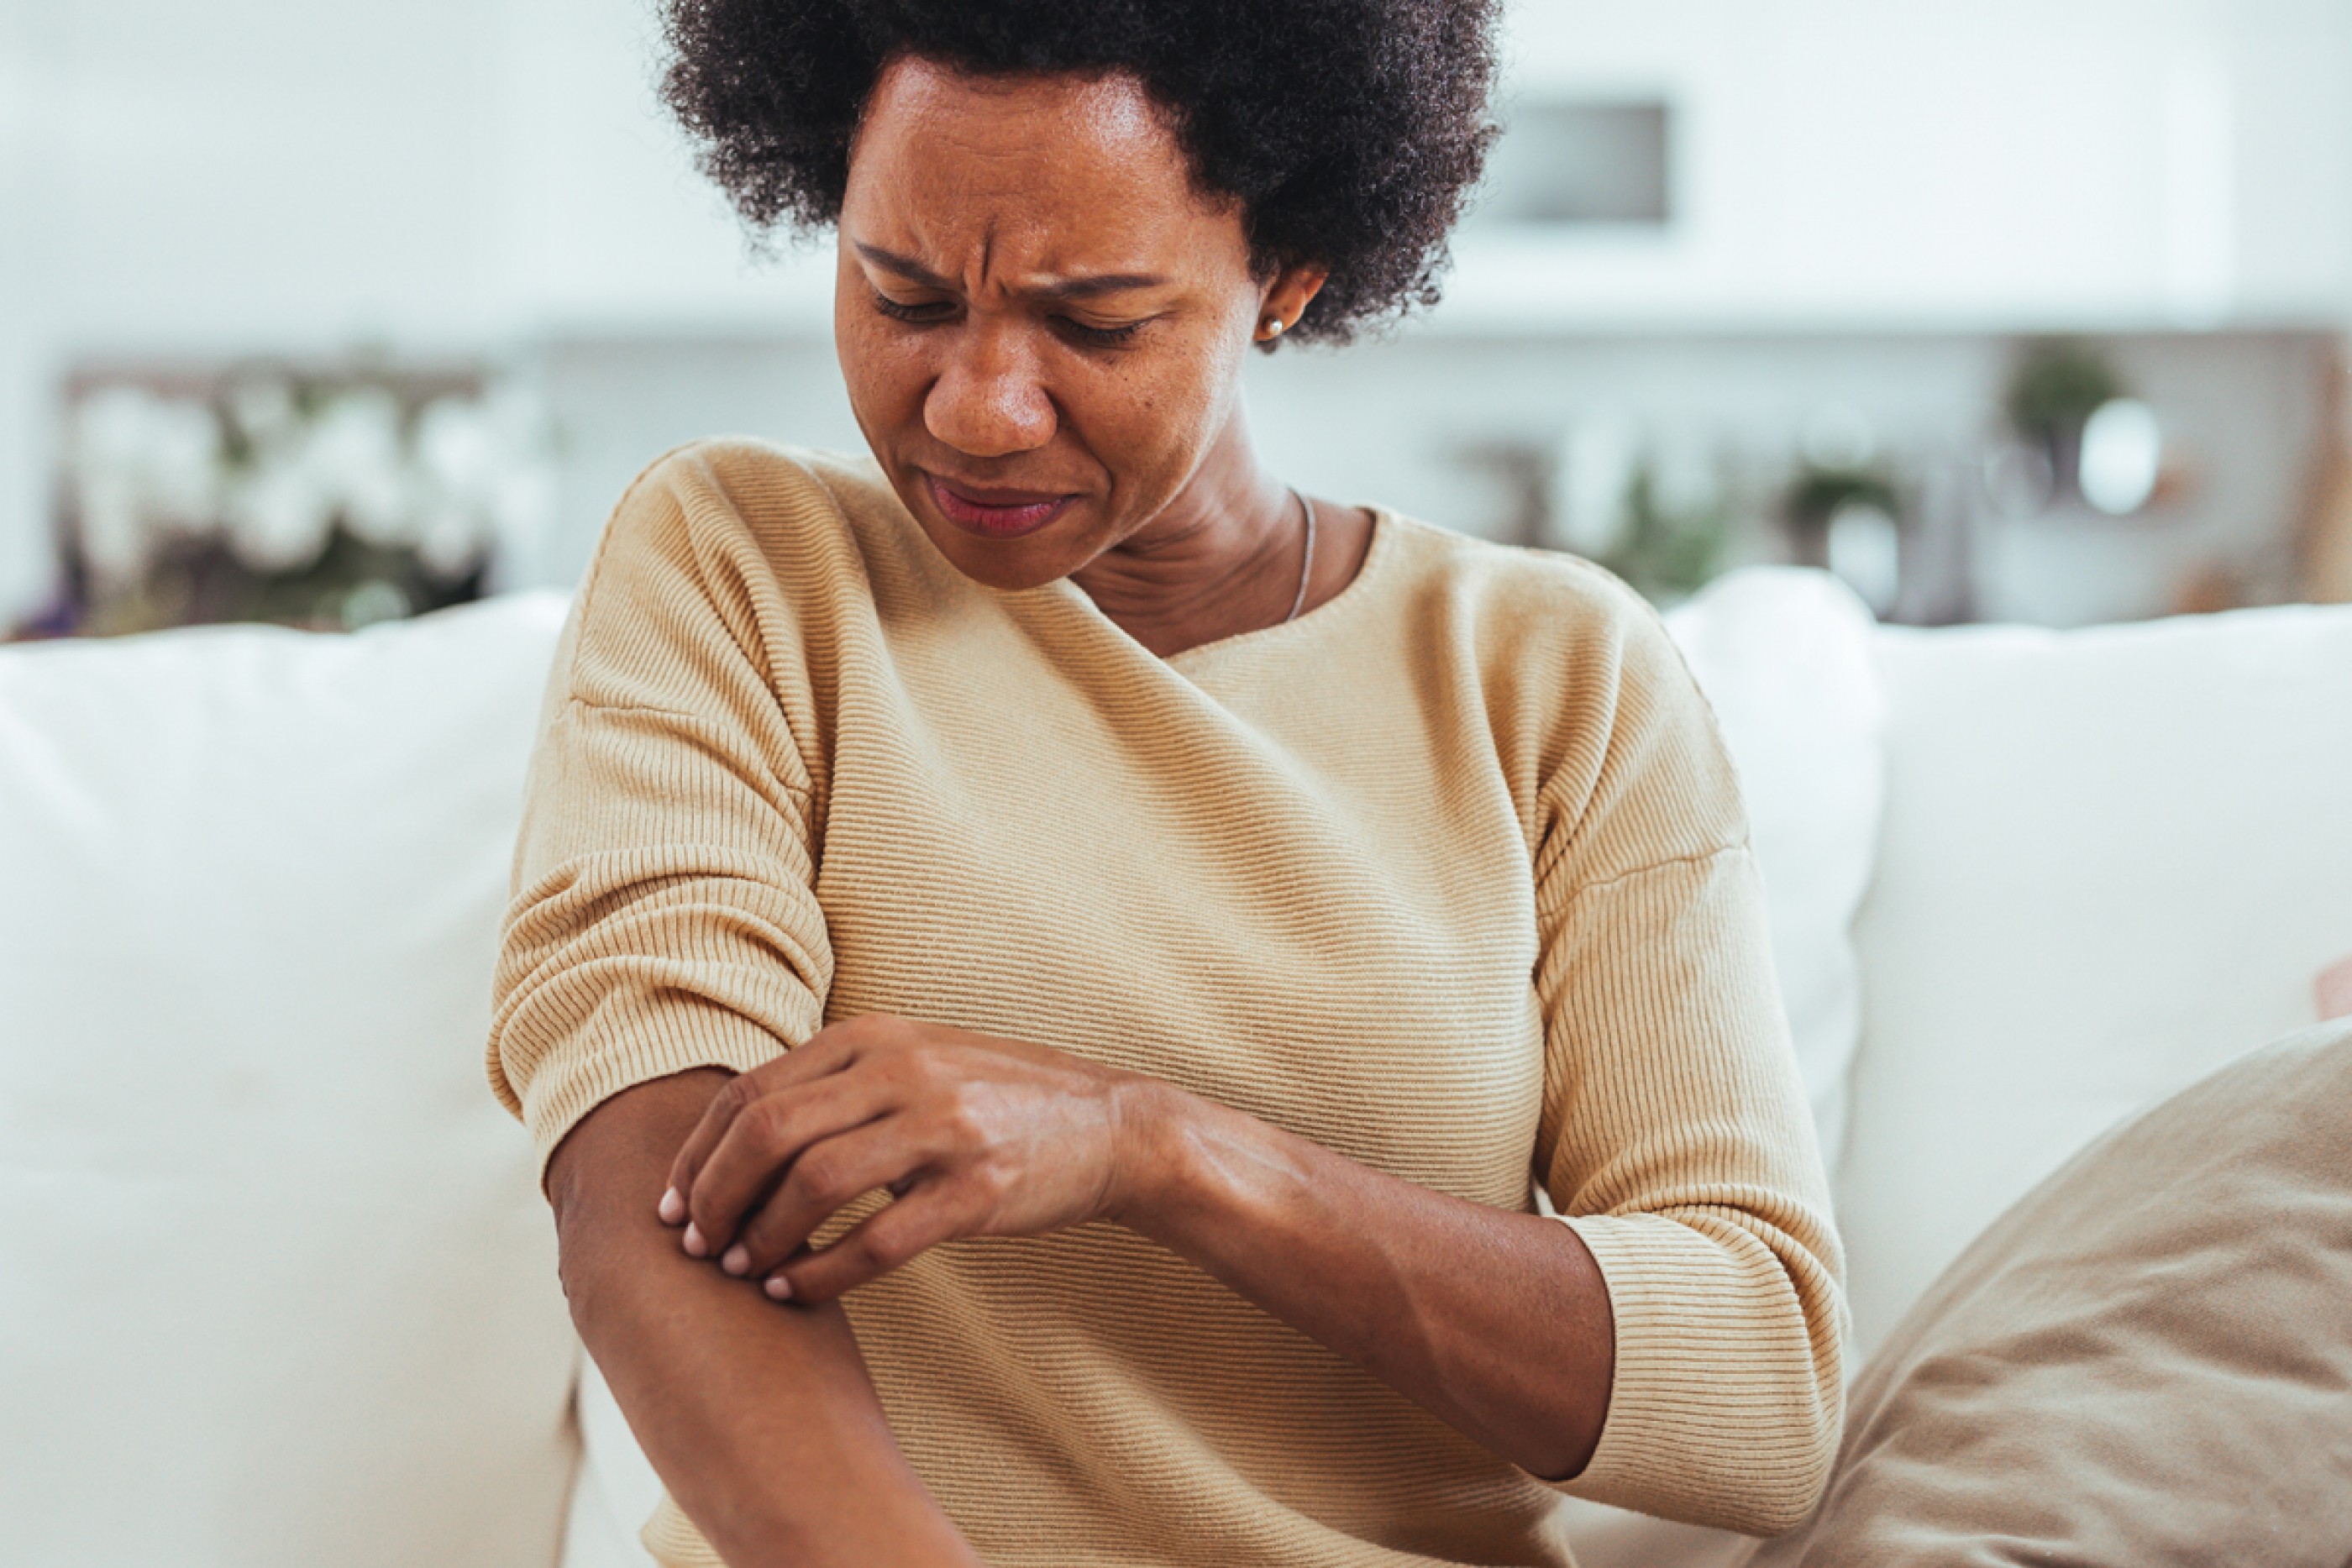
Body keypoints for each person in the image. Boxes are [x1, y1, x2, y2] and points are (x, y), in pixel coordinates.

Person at [486, 4, 1845, 1565]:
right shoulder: (744, 567)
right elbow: (645, 1192)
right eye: (903, 294)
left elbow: (1764, 1380)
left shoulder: (1553, 675)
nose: (979, 406)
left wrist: (1151, 1147)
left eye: (1098, 322)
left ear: (1289, 273)